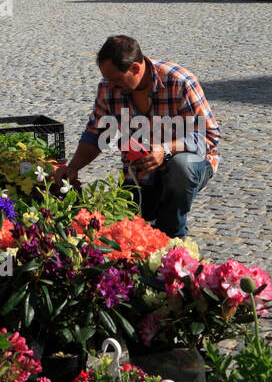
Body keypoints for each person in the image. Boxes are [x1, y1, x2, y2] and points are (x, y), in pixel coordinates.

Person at [51, 34, 220, 238]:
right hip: (139, 174)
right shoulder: (108, 88)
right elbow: (96, 134)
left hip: (189, 164)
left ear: (136, 68)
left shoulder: (179, 82)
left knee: (180, 168)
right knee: (125, 232)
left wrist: (165, 150)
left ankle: (175, 236)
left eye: (115, 79)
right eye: (107, 79)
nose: (111, 86)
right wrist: (72, 168)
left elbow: (208, 136)